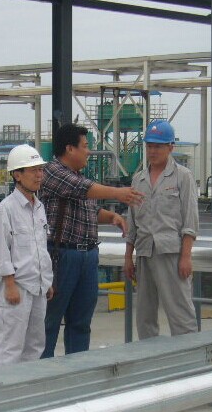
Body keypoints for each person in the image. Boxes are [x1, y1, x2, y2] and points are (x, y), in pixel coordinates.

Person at [39, 123, 145, 358]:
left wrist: (112, 217)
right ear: (70, 149)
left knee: (81, 322)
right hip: (61, 256)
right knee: (50, 321)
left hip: (87, 256)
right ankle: (43, 372)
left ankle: (77, 368)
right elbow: (82, 189)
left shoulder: (79, 178)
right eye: (85, 146)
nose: (89, 152)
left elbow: (89, 210)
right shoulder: (52, 172)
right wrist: (118, 193)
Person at [124, 120, 199, 340]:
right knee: (144, 315)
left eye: (158, 146)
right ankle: (150, 356)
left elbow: (190, 220)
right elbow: (132, 223)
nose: (152, 151)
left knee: (180, 313)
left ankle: (188, 356)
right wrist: (128, 257)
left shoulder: (182, 176)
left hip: (171, 254)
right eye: (149, 146)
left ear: (170, 147)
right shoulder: (138, 179)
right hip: (144, 252)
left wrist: (186, 256)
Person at [0, 144, 54, 365]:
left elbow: (40, 246)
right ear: (17, 175)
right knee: (10, 348)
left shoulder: (39, 207)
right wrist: (9, 285)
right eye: (33, 170)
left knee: (35, 345)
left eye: (41, 170)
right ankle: (5, 386)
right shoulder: (6, 209)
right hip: (17, 287)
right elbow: (1, 250)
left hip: (37, 286)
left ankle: (28, 385)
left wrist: (46, 281)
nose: (39, 175)